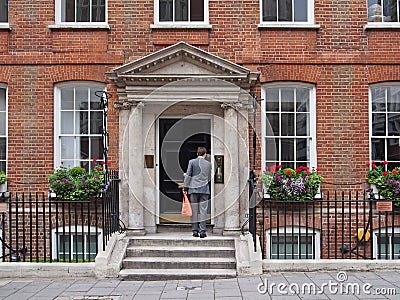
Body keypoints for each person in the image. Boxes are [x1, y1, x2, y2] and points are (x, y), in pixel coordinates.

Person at [183, 146, 212, 238]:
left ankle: (195, 230)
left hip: (193, 189)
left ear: (197, 153)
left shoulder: (192, 162)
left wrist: (185, 187)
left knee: (194, 210)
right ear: (205, 154)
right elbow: (209, 177)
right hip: (204, 189)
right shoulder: (208, 164)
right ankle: (203, 231)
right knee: (203, 210)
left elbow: (188, 175)